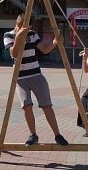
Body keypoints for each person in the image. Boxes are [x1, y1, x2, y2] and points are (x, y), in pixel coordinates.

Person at [4, 14, 68, 146]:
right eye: (20, 25)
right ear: (17, 23)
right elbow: (14, 53)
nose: (22, 29)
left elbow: (44, 49)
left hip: (36, 75)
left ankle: (57, 135)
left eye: (26, 27)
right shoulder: (8, 35)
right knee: (26, 106)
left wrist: (55, 43)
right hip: (20, 77)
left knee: (47, 105)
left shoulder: (32, 34)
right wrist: (18, 37)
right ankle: (33, 135)